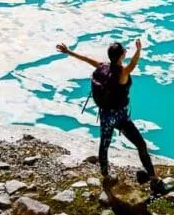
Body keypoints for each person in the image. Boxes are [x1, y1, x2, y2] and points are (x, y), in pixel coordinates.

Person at [56, 38, 157, 187]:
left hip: (105, 115)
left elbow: (86, 59)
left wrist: (69, 52)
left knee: (104, 145)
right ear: (122, 55)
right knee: (140, 144)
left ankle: (106, 176)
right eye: (124, 51)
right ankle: (154, 179)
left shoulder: (103, 67)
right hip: (120, 117)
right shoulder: (122, 73)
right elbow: (133, 64)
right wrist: (138, 51)